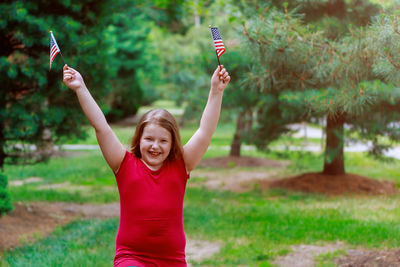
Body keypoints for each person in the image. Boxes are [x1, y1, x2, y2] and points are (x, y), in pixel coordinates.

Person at [63, 64, 230, 266]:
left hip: (172, 260)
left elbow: (205, 132)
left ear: (172, 143)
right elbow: (101, 127)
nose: (155, 146)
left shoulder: (181, 165)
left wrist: (216, 91)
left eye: (163, 141)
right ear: (139, 139)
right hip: (131, 257)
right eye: (149, 139)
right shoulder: (123, 164)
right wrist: (80, 87)